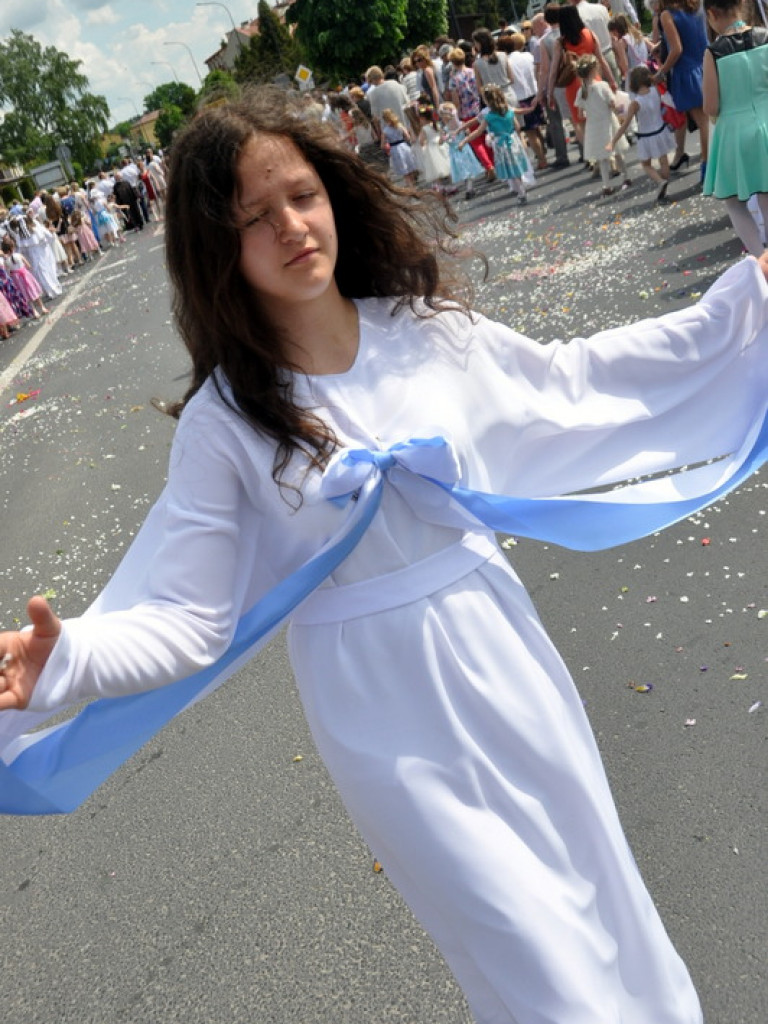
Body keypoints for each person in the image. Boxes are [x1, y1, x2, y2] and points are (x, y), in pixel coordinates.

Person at [2, 85, 768, 1024]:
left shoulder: (424, 332)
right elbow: (189, 622)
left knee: (601, 903)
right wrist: (67, 659)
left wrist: (747, 302)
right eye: (253, 217)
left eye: (301, 195)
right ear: (215, 247)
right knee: (534, 966)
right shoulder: (225, 423)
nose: (290, 225)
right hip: (380, 711)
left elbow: (574, 384)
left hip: (500, 654)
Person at [701, 0, 768, 255]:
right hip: (766, 121)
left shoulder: (714, 52)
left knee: (734, 201)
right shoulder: (765, 37)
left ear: (711, 13)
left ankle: (761, 260)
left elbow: (711, 106)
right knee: (766, 191)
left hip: (734, 130)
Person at [548, 5, 617, 155]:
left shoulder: (560, 42)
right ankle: (608, 153)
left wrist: (549, 93)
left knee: (579, 123)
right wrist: (612, 81)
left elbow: (553, 71)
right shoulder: (589, 34)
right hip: (594, 80)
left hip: (573, 85)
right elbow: (602, 60)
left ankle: (593, 156)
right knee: (600, 117)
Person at [653, 0, 709, 177]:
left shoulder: (667, 15)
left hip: (687, 72)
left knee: (703, 122)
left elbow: (676, 49)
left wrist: (661, 72)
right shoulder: (697, 7)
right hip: (706, 65)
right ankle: (711, 165)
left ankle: (708, 168)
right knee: (709, 120)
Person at [611, 63, 675, 199]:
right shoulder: (656, 91)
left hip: (646, 135)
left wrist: (614, 140)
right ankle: (665, 184)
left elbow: (625, 124)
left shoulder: (636, 102)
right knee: (664, 161)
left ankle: (660, 181)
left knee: (646, 164)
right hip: (661, 130)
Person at [460, 84, 532, 203]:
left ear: (487, 101)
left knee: (509, 168)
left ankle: (520, 190)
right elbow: (517, 126)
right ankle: (520, 188)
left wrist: (464, 141)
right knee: (516, 166)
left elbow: (478, 132)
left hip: (500, 144)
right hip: (512, 141)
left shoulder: (489, 117)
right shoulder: (508, 110)